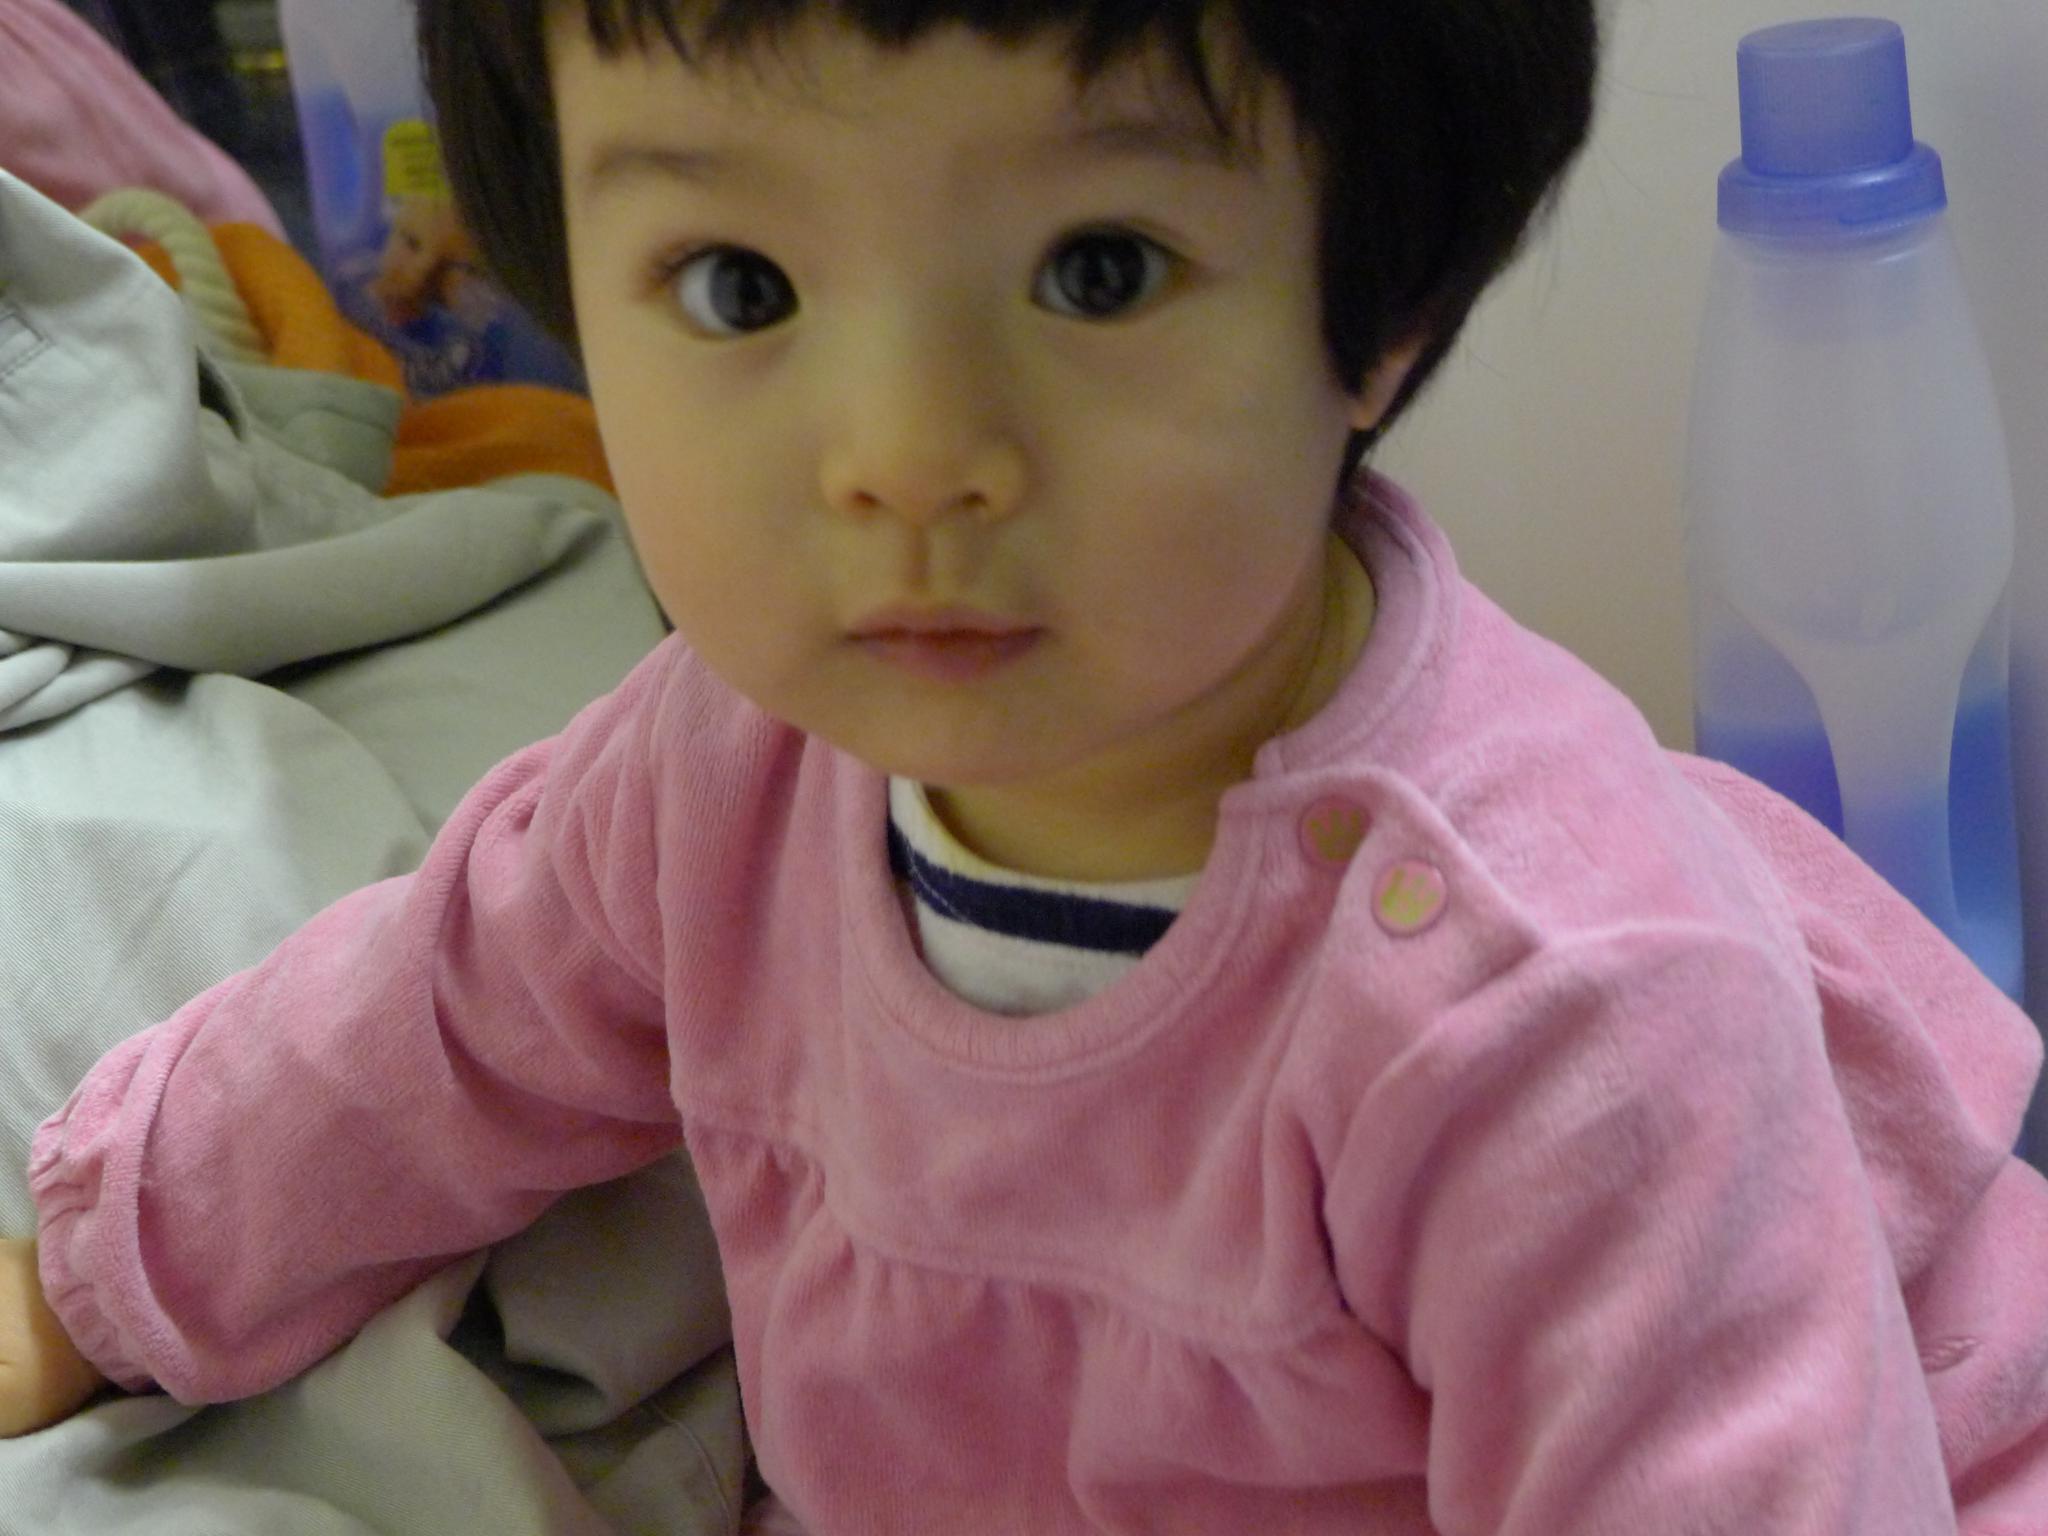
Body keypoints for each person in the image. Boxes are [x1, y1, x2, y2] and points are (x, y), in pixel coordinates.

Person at [4, 0, 2047, 1530]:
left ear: (1383, 312)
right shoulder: (729, 768)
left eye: (1098, 271)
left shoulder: (1558, 1018)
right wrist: (90, 1283)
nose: (904, 456)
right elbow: (430, 1025)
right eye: (737, 288)